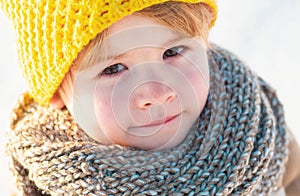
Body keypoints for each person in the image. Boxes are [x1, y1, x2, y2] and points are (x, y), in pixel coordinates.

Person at [1, 0, 299, 195]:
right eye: (114, 69)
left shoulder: (255, 126)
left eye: (172, 52)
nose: (157, 93)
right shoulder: (44, 177)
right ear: (57, 93)